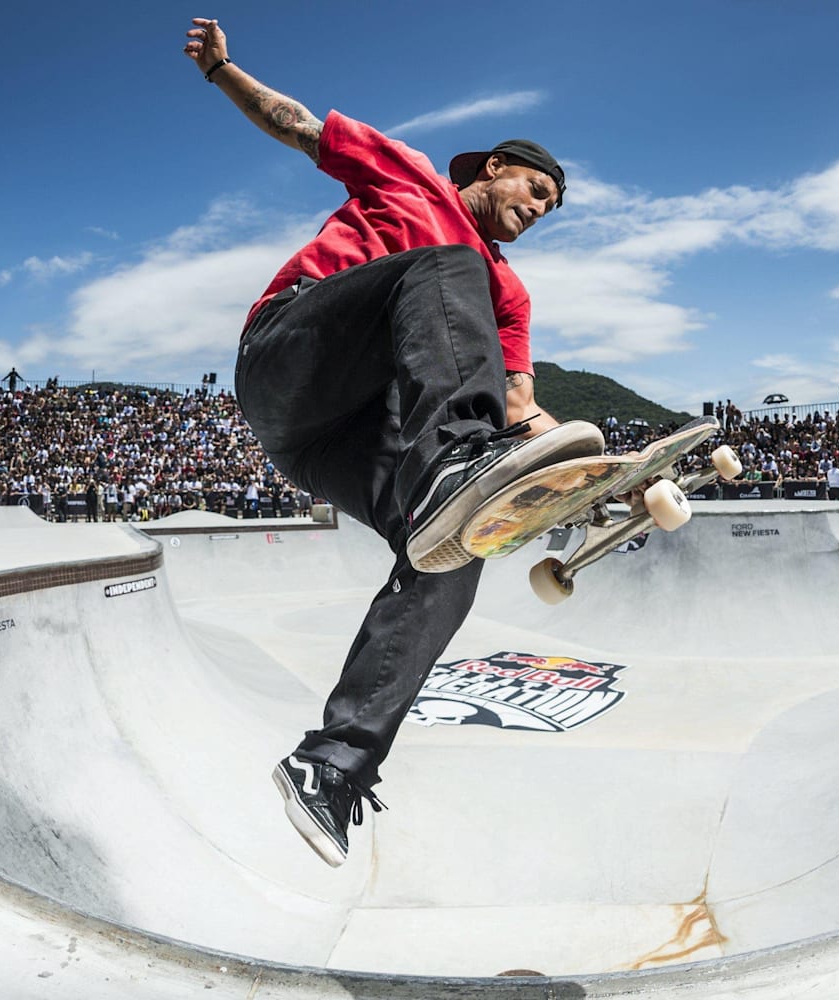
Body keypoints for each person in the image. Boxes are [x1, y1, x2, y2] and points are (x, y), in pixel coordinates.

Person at [184, 18, 604, 867]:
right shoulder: (411, 177)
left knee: (454, 550)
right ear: (495, 169)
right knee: (447, 267)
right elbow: (298, 124)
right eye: (532, 194)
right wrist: (223, 71)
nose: (535, 214)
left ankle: (332, 763)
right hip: (290, 358)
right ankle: (452, 459)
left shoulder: (511, 296)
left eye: (549, 212)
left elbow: (520, 403)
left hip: (340, 442)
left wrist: (600, 473)